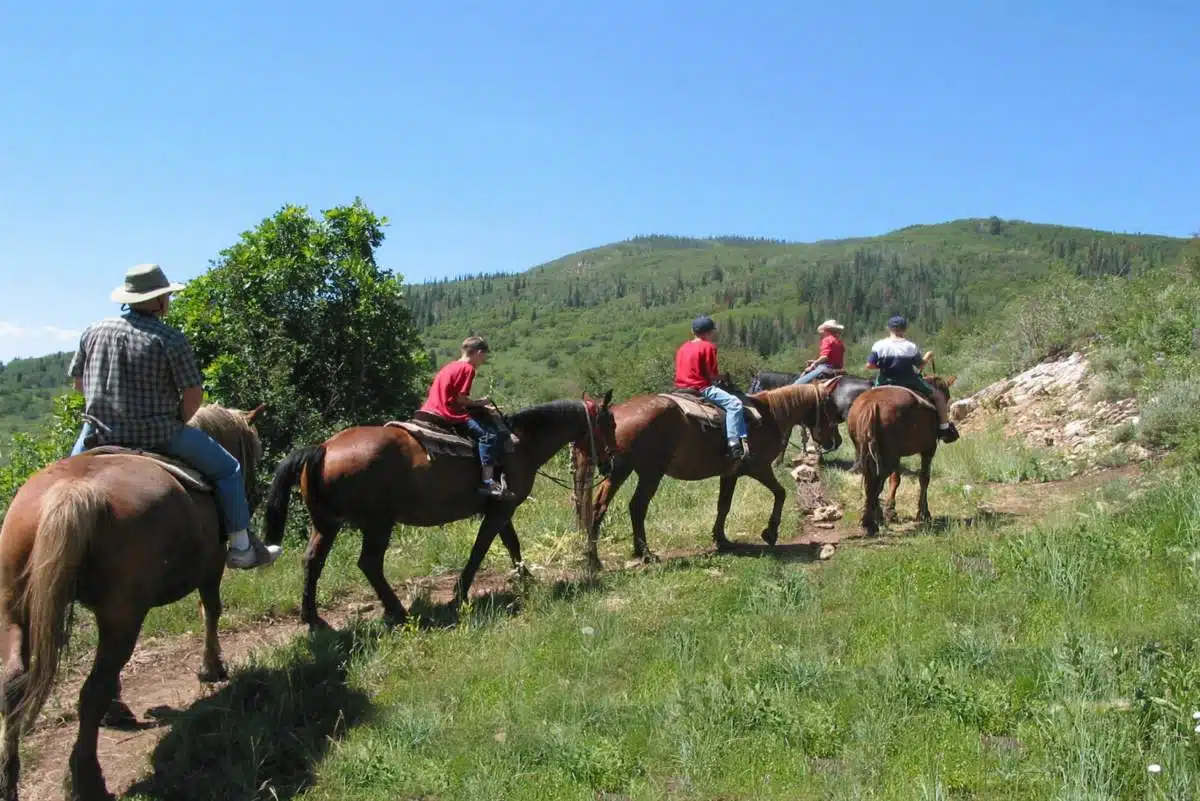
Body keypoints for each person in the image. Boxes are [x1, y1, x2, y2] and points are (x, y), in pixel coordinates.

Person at [68, 264, 282, 569]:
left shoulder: (93, 330)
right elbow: (194, 394)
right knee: (228, 470)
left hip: (97, 433)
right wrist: (176, 419)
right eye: (166, 296)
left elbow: (79, 383)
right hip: (158, 433)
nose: (168, 301)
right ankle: (241, 547)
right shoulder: (170, 338)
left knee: (61, 477)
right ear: (157, 301)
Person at [418, 335, 513, 499]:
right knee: (488, 435)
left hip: (429, 409)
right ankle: (487, 481)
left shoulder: (449, 367)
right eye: (484, 356)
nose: (483, 360)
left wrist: (479, 405)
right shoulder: (468, 369)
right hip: (448, 413)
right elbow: (460, 399)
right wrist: (481, 403)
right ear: (478, 352)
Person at [865, 315, 959, 442]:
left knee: (866, 401)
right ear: (904, 329)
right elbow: (920, 365)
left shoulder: (879, 345)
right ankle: (944, 429)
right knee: (939, 397)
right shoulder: (910, 346)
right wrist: (927, 356)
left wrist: (884, 365)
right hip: (909, 381)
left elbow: (869, 365)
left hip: (884, 381)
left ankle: (864, 428)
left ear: (889, 328)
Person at [675, 315, 749, 460]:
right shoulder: (708, 347)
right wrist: (725, 377)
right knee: (735, 404)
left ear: (693, 331)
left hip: (680, 388)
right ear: (709, 332)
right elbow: (712, 375)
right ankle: (734, 442)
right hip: (701, 388)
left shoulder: (683, 347)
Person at [792, 319, 846, 385]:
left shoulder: (827, 340)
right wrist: (816, 361)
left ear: (827, 331)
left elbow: (825, 357)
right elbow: (832, 358)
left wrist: (814, 363)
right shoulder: (839, 342)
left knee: (797, 384)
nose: (822, 333)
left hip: (826, 368)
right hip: (838, 369)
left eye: (824, 331)